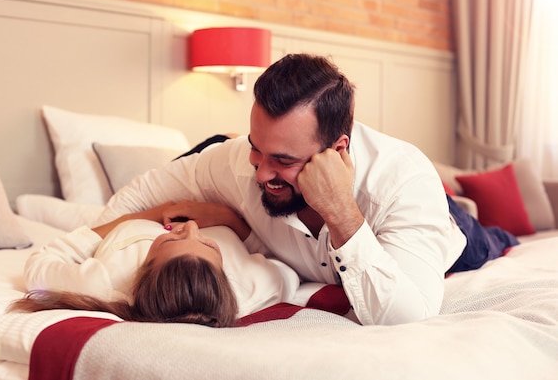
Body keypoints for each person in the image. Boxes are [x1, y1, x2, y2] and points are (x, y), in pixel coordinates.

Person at [93, 53, 469, 326]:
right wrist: (90, 244)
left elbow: (406, 319)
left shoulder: (401, 182)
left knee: (486, 230)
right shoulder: (236, 160)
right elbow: (145, 191)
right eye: (258, 148)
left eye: (284, 161)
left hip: (453, 233)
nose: (261, 174)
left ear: (336, 151)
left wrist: (340, 211)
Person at [10, 201, 299, 328]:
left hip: (152, 206)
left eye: (169, 241)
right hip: (223, 203)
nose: (193, 228)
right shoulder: (247, 290)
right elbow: (287, 265)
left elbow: (38, 265)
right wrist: (228, 218)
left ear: (137, 280)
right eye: (210, 246)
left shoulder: (102, 282)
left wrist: (153, 214)